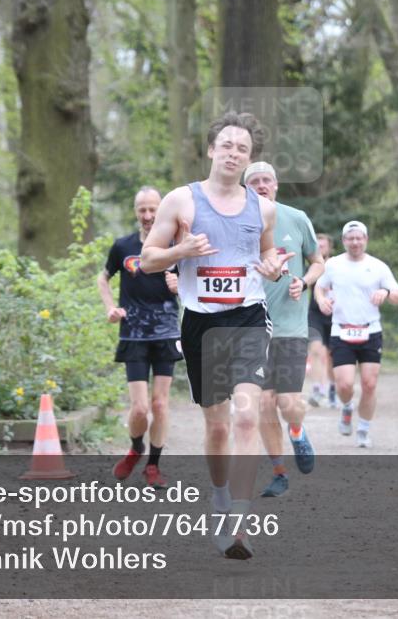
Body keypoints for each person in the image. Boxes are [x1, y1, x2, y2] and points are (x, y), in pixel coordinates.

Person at [141, 112, 290, 560]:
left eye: (241, 149)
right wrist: (180, 251)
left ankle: (239, 524)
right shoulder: (181, 202)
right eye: (226, 145)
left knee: (246, 417)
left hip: (247, 316)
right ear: (211, 150)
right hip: (201, 324)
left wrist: (274, 267)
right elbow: (148, 259)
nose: (233, 153)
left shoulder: (262, 208)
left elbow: (268, 253)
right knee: (218, 427)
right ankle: (221, 494)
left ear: (249, 159)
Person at [244, 161, 324, 499]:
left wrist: (303, 282)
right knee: (263, 404)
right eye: (255, 181)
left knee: (288, 402)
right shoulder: (238, 225)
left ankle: (296, 429)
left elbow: (318, 261)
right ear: (246, 188)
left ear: (276, 185)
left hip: (290, 327)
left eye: (267, 180)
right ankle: (279, 472)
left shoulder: (296, 217)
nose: (262, 185)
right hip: (251, 328)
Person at [97, 186, 182, 487]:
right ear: (136, 212)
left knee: (160, 405)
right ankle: (136, 447)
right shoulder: (123, 246)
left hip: (167, 332)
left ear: (162, 210)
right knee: (140, 408)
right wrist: (110, 308)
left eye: (152, 210)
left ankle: (153, 466)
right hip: (133, 333)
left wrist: (179, 286)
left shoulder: (176, 246)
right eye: (142, 210)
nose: (147, 216)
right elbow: (103, 278)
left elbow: (195, 284)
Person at [314, 221, 398, 448]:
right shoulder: (333, 265)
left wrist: (385, 292)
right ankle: (346, 406)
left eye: (359, 238)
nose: (355, 242)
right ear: (344, 241)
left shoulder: (378, 267)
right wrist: (322, 300)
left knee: (369, 384)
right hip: (342, 331)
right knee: (344, 385)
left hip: (370, 331)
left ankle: (363, 429)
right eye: (350, 238)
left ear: (366, 240)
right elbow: (319, 286)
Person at [307, 233, 337, 408]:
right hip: (315, 313)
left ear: (329, 248)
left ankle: (333, 389)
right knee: (316, 349)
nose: (320, 249)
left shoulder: (339, 264)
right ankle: (318, 389)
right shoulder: (311, 266)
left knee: (333, 355)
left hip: (335, 314)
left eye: (323, 246)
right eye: (317, 246)